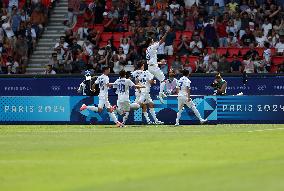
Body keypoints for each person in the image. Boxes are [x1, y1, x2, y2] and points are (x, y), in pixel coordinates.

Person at [145, 28, 170, 104]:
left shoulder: (147, 49)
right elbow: (162, 41)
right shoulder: (152, 47)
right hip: (154, 68)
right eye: (152, 41)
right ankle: (160, 94)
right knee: (163, 80)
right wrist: (166, 33)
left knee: (149, 83)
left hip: (150, 67)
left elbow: (151, 61)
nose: (153, 41)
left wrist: (159, 63)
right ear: (150, 42)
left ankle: (145, 96)